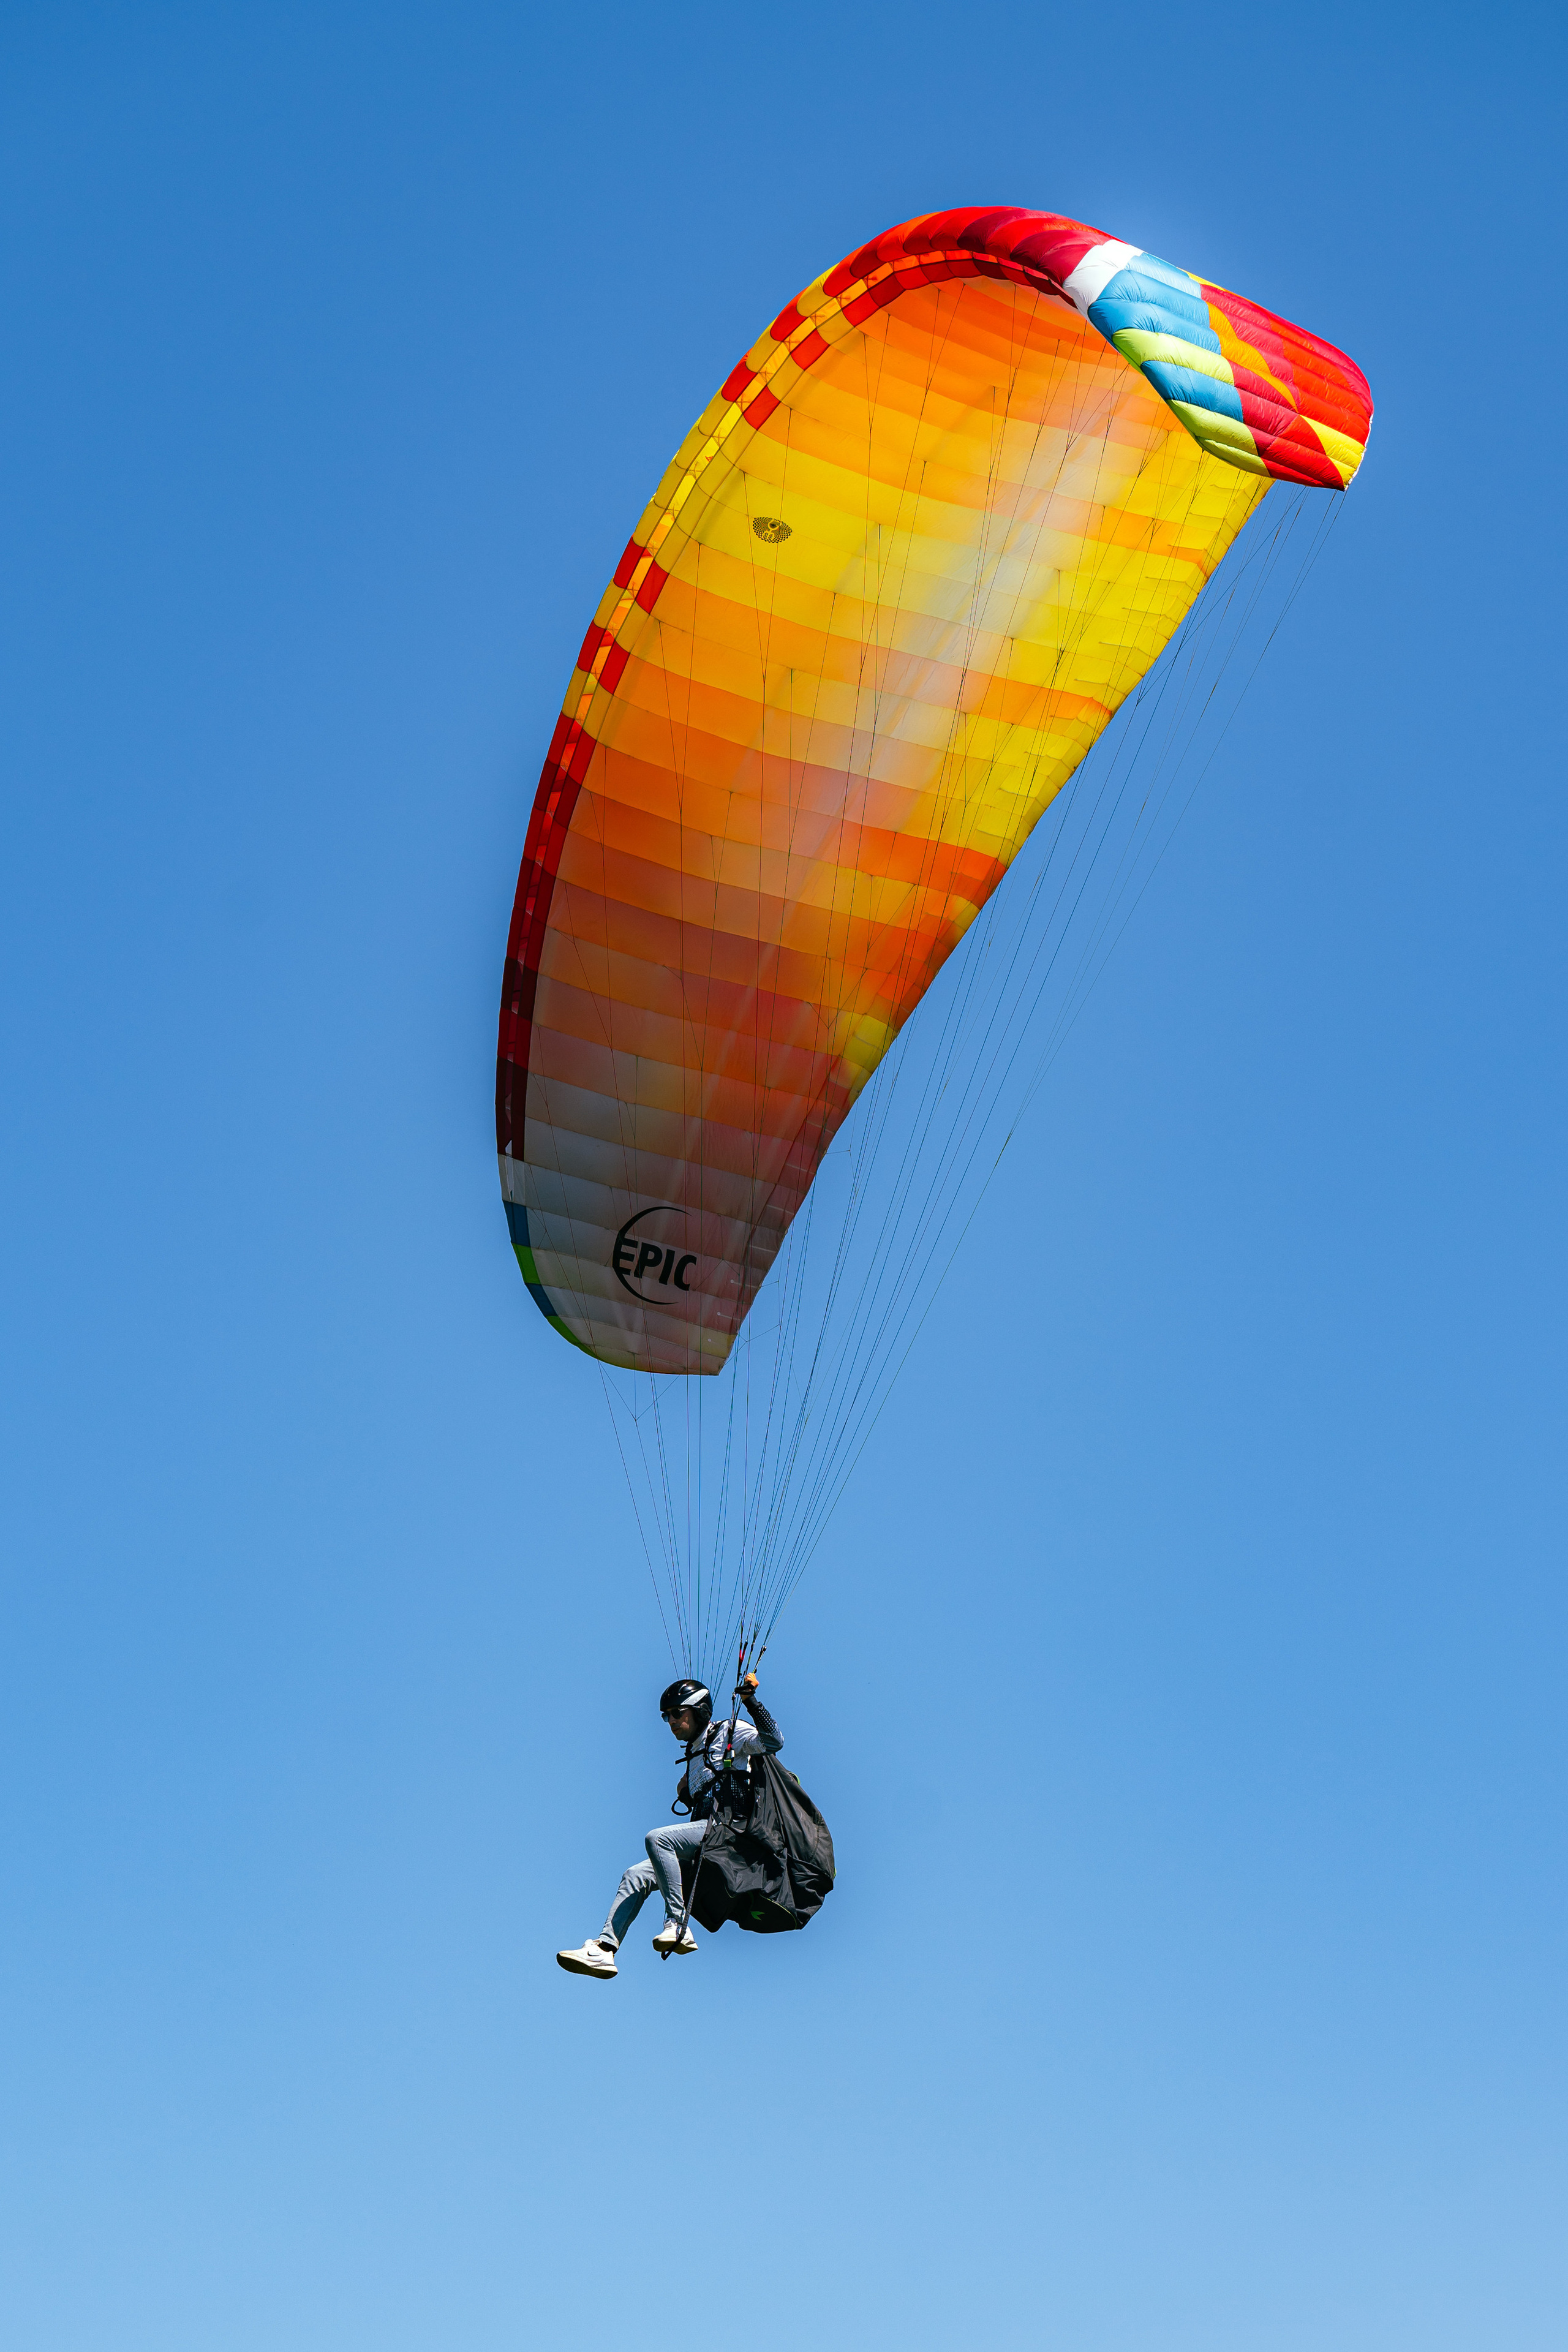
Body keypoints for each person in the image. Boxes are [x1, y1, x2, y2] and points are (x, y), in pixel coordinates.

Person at [556, 1672, 783, 1978]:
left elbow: (773, 1741)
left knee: (658, 1839)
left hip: (731, 1833)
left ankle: (677, 1924)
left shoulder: (730, 1731)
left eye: (678, 1713)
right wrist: (690, 1788)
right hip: (706, 1836)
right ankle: (605, 1950)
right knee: (636, 1874)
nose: (672, 1721)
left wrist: (750, 1701)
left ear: (699, 1710)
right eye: (666, 1717)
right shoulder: (694, 1752)